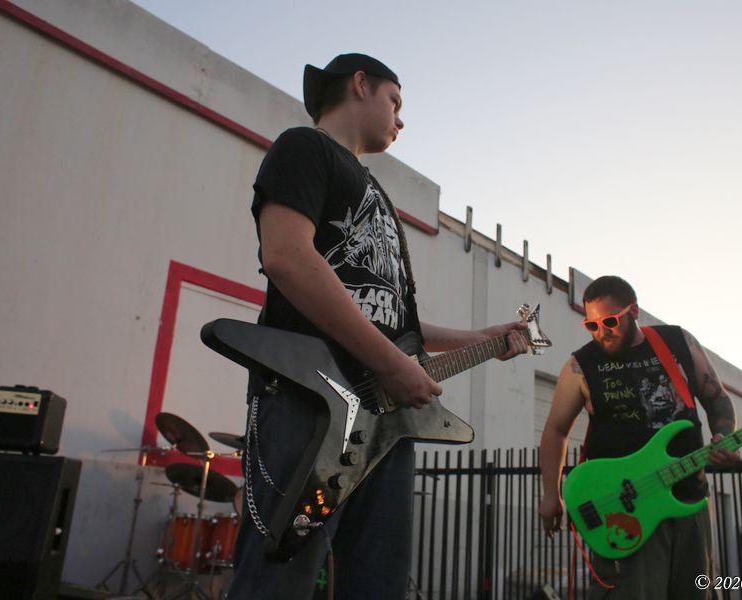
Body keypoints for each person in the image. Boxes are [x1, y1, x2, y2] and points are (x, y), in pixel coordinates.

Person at [227, 53, 530, 600]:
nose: (401, 118)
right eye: (395, 101)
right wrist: (391, 364)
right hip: (306, 405)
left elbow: (397, 324)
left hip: (382, 431)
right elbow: (287, 256)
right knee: (276, 583)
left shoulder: (376, 194)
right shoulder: (304, 147)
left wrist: (483, 338)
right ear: (360, 84)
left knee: (378, 585)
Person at [538, 275, 739, 600]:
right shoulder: (582, 365)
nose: (601, 332)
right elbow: (555, 430)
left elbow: (717, 399)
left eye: (610, 321)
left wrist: (724, 436)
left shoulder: (678, 342)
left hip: (689, 498)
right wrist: (551, 494)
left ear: (633, 311)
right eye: (591, 325)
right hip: (627, 510)